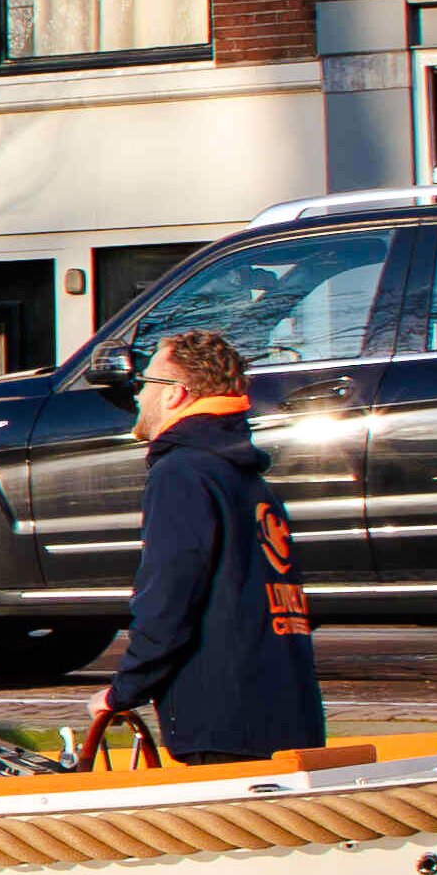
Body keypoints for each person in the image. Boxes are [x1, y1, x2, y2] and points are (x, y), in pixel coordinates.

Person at [92, 329, 328, 769]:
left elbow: (168, 598)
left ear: (176, 395)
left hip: (223, 724)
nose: (138, 395)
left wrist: (123, 691)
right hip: (292, 716)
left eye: (145, 383)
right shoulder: (249, 480)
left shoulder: (181, 473)